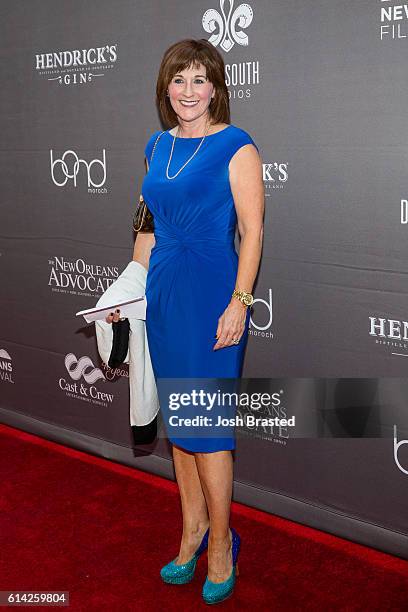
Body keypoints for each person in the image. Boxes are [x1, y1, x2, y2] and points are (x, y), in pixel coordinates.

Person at [108, 38, 264, 604]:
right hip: (164, 292)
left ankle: (222, 544)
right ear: (166, 89)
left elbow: (252, 232)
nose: (188, 91)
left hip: (212, 292)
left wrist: (239, 302)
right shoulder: (157, 146)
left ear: (216, 87)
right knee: (180, 427)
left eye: (199, 80)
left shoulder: (237, 146)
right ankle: (191, 530)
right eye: (178, 80)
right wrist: (129, 290)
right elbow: (148, 226)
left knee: (209, 431)